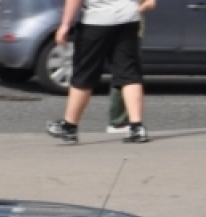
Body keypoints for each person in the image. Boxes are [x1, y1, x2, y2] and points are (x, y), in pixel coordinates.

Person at [46, 0, 150, 145]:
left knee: (84, 72)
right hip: (129, 18)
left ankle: (69, 126)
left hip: (97, 20)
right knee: (128, 72)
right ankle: (136, 127)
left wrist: (65, 25)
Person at [106, 0, 154, 133]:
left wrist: (131, 12)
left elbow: (149, 3)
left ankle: (120, 120)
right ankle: (119, 122)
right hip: (123, 30)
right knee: (128, 74)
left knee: (122, 72)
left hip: (125, 29)